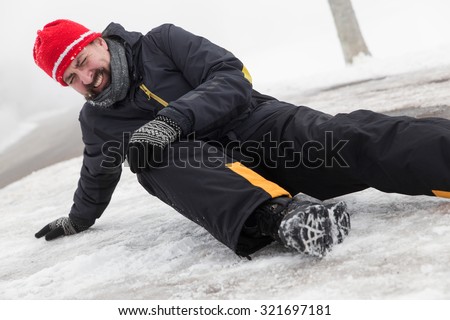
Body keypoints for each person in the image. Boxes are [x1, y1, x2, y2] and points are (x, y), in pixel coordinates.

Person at [33, 19, 450, 258]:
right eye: (71, 78)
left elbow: (232, 78)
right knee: (146, 155)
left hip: (261, 127)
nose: (87, 79)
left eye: (83, 62)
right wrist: (78, 219)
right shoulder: (97, 122)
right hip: (218, 185)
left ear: (96, 42)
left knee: (352, 136)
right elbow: (97, 173)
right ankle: (284, 220)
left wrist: (174, 119)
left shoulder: (162, 42)